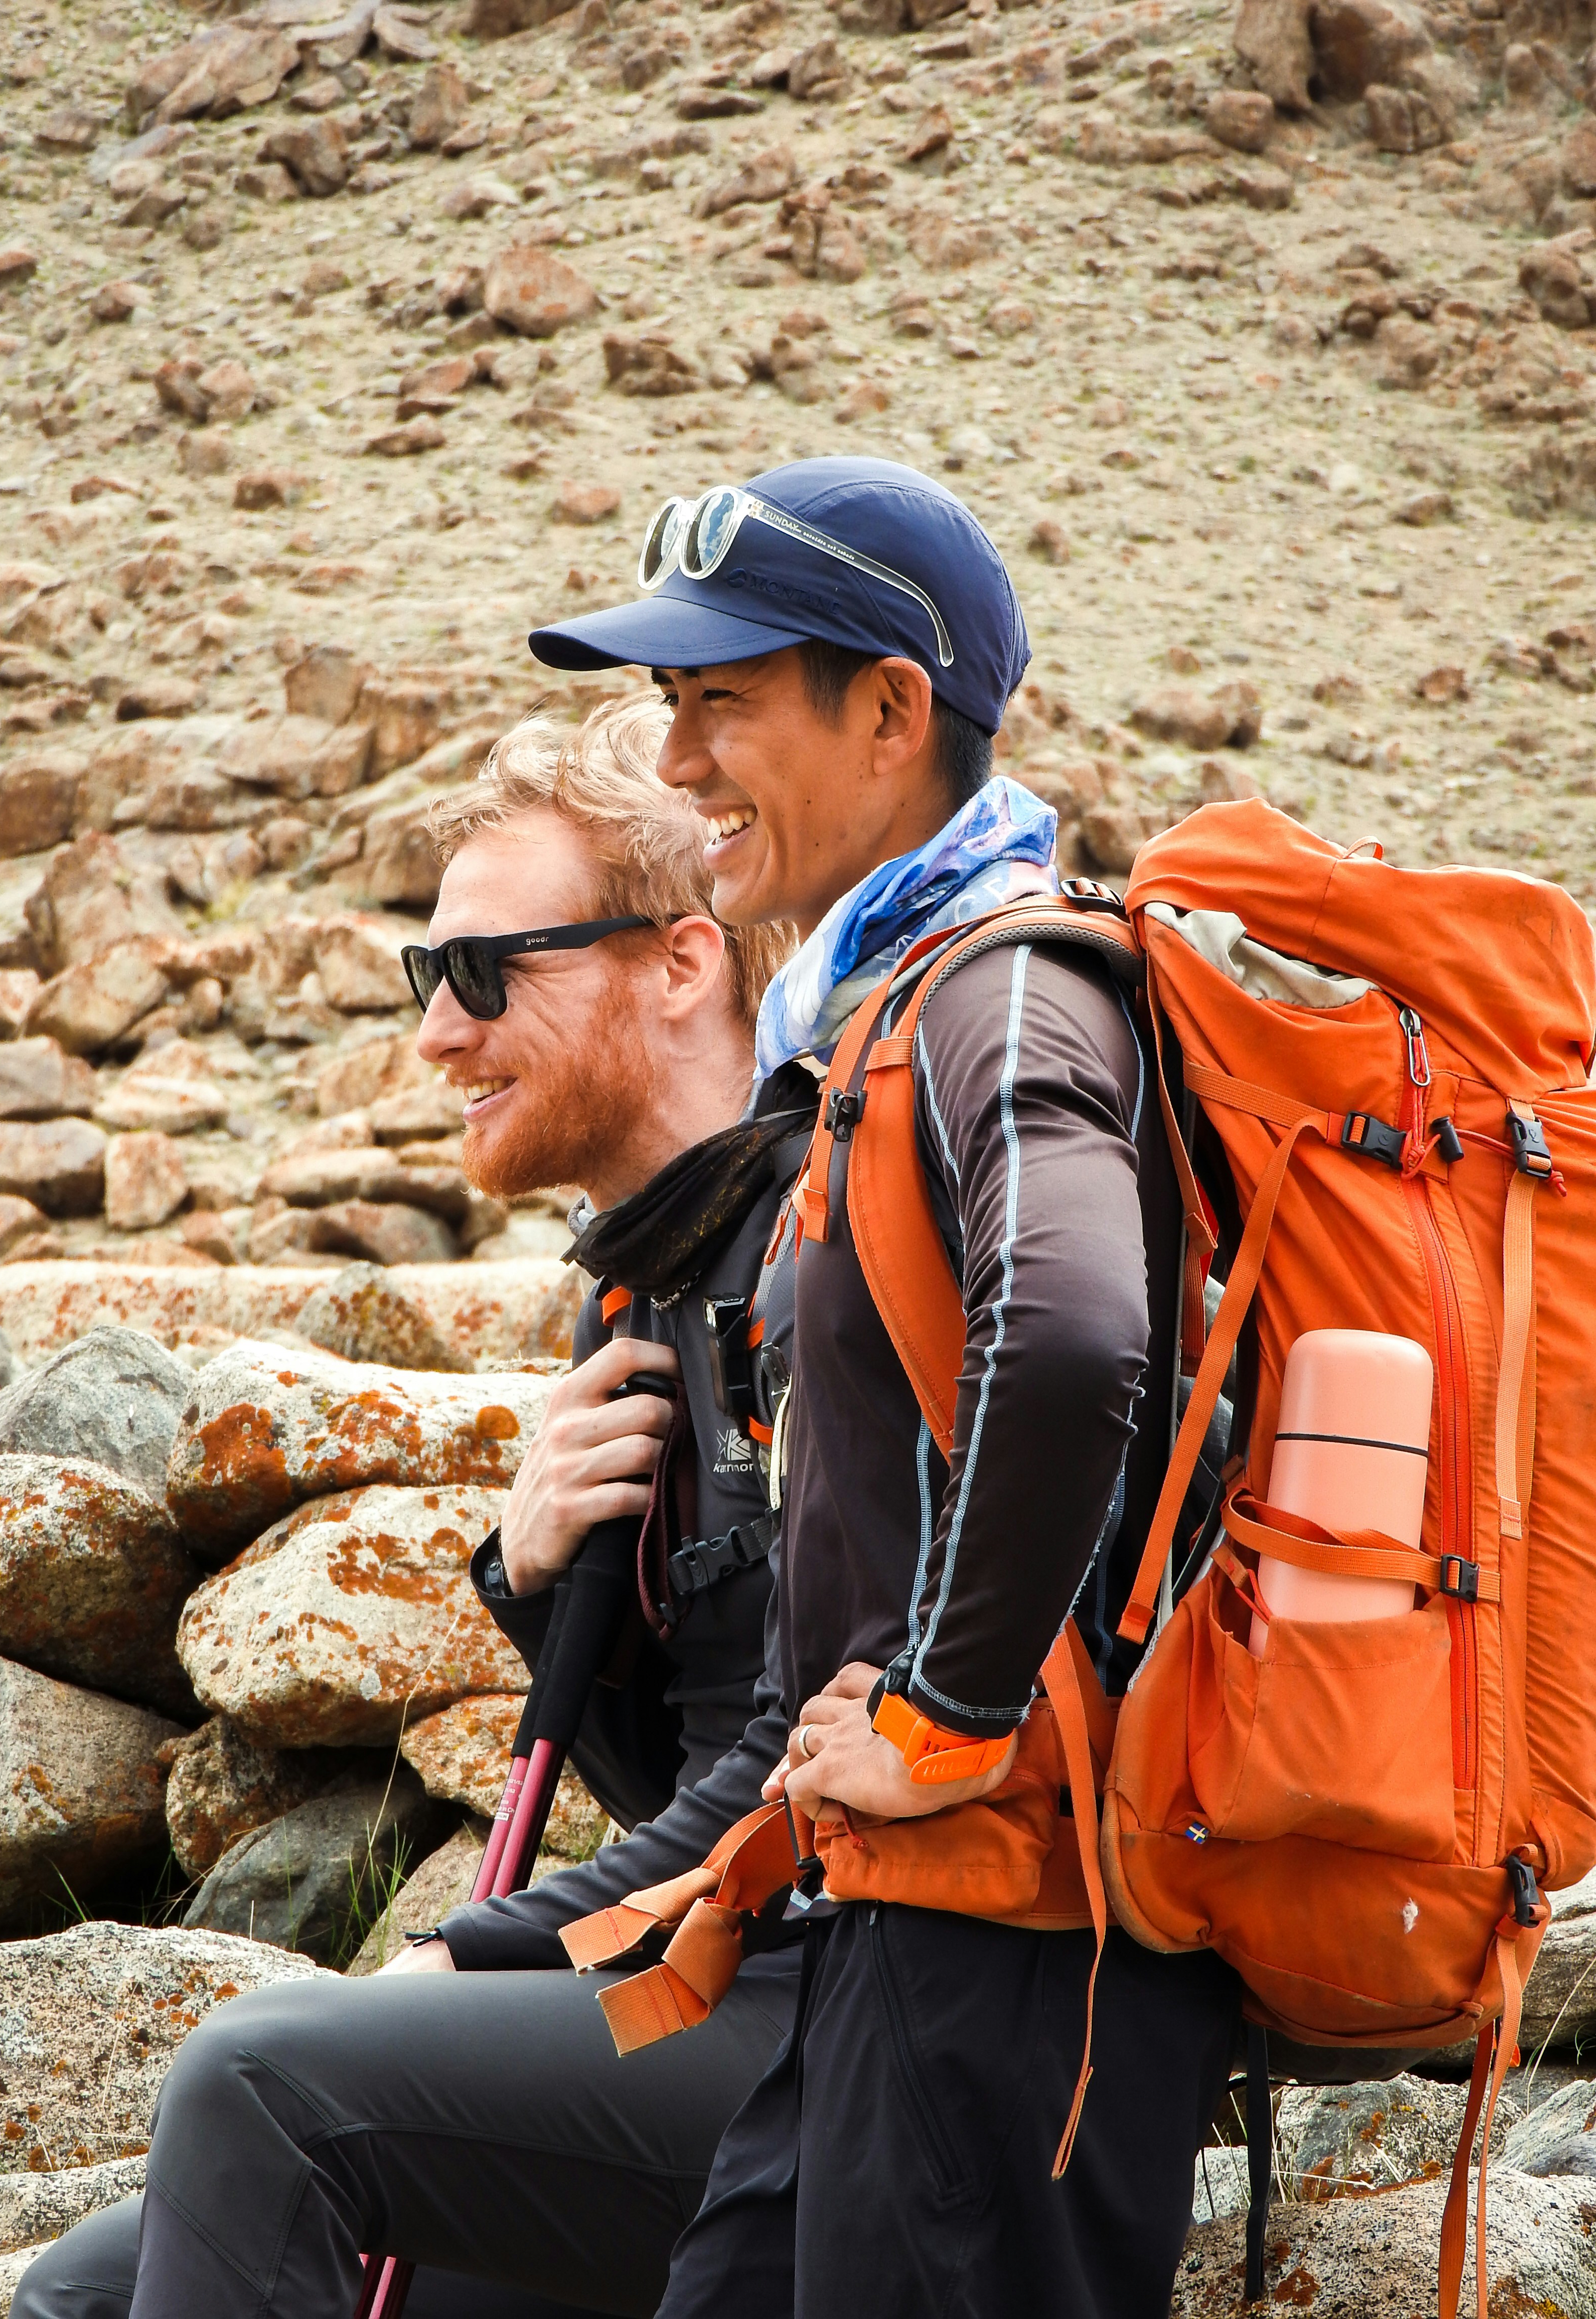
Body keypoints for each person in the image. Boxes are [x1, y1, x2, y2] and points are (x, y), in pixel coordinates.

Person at [520, 458, 1243, 2318]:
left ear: (894, 712)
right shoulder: (875, 1016)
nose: (678, 767)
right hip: (899, 1928)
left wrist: (940, 1709)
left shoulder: (1002, 996)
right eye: (673, 711)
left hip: (1006, 1948)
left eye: (722, 705)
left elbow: (1081, 1333)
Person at [11, 699, 813, 2319]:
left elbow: (807, 1761)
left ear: (683, 963)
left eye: (482, 973)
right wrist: (540, 1580)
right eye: (421, 979)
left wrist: (482, 1953)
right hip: (711, 1990)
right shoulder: (649, 1299)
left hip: (840, 2034)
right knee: (87, 2293)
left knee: (259, 2089)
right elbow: (681, 1766)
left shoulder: (822, 1255)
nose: (438, 1035)